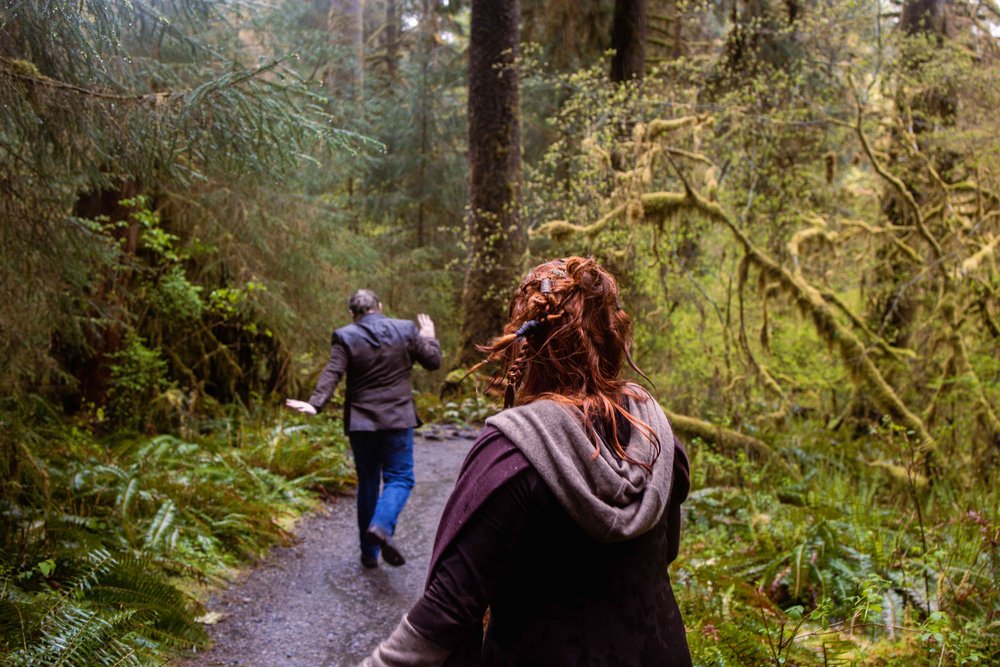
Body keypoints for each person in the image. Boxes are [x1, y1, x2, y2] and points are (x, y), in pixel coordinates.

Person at [360, 257, 692, 666]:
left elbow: (447, 612)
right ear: (613, 336)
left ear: (524, 343)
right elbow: (667, 551)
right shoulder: (656, 433)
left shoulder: (511, 452)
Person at [286, 289, 441, 569]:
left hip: (361, 423)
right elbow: (433, 362)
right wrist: (429, 336)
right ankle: (382, 526)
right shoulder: (405, 329)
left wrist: (315, 404)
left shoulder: (345, 335)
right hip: (397, 419)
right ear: (379, 307)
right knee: (400, 478)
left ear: (352, 314)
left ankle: (369, 554)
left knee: (368, 483)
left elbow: (332, 372)